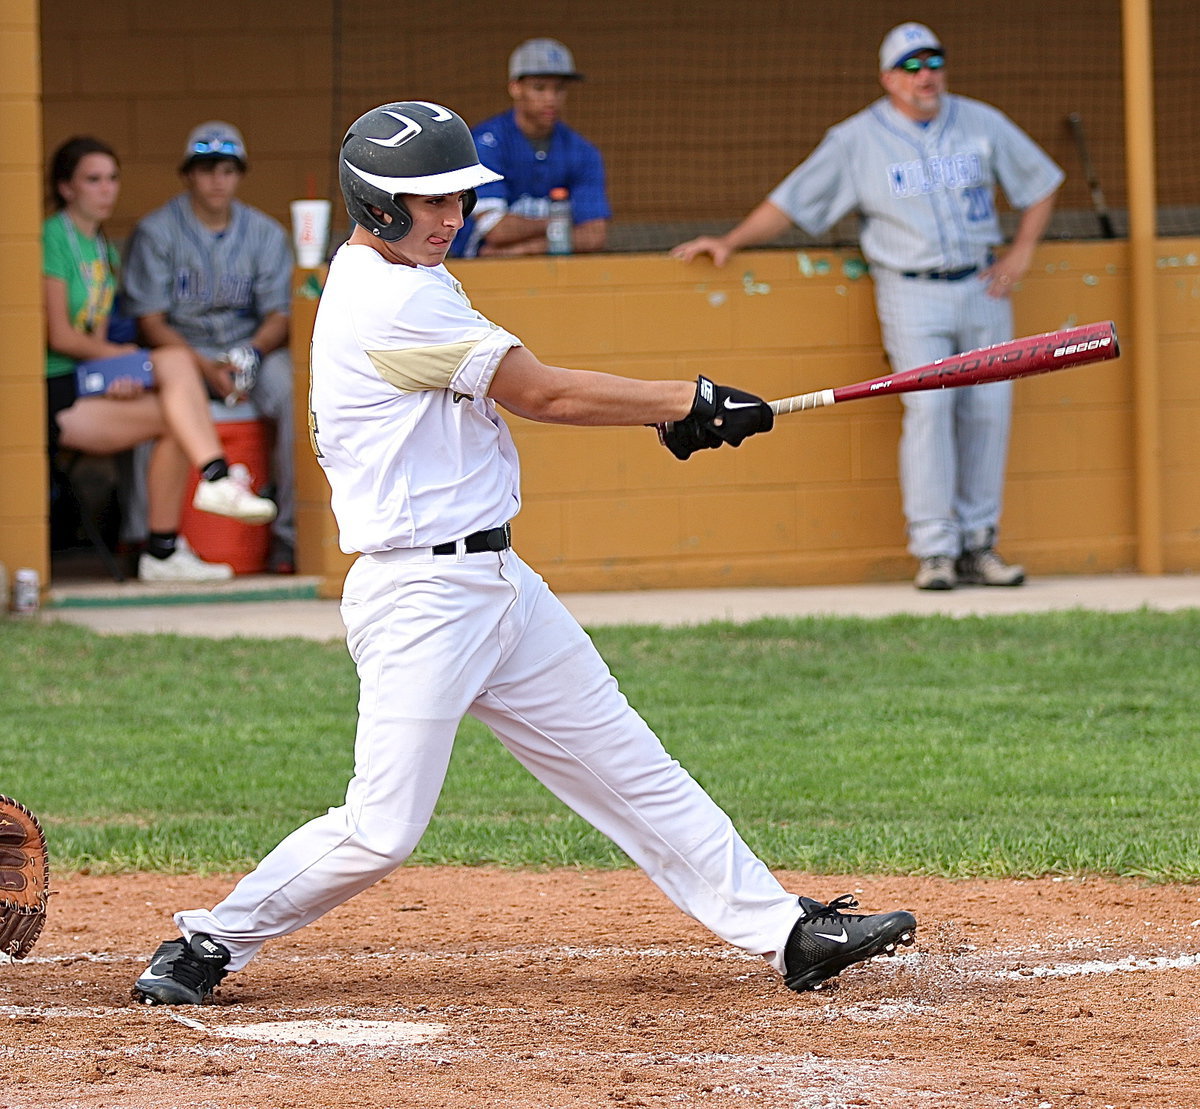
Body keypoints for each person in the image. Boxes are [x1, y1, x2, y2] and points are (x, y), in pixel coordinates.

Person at [131, 102, 916, 1007]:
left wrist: (673, 408)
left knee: (632, 767)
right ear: (378, 202)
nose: (451, 217)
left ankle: (784, 932)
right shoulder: (390, 299)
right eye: (430, 201)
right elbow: (542, 392)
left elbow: (514, 397)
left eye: (459, 197)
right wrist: (685, 399)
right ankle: (209, 938)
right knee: (383, 828)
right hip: (423, 593)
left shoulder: (410, 275)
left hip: (497, 580)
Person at [672, 22, 1064, 592]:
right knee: (929, 412)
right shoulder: (857, 139)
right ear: (887, 78)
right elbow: (793, 198)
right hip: (910, 289)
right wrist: (731, 241)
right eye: (911, 66)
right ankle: (935, 550)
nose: (924, 74)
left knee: (988, 411)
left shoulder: (981, 121)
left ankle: (979, 545)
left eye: (933, 61)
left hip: (982, 286)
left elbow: (1041, 181)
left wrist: (1023, 252)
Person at [42, 136, 278, 583]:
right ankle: (218, 479)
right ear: (67, 188)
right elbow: (60, 335)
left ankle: (162, 552)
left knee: (177, 418)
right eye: (93, 180)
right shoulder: (53, 235)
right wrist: (122, 357)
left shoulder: (103, 249)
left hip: (86, 385)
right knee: (171, 361)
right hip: (49, 393)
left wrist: (115, 375)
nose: (106, 190)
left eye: (112, 179)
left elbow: (91, 337)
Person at [122, 121, 297, 574]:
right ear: (188, 174)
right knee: (160, 403)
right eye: (205, 169)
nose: (217, 179)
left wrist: (252, 353)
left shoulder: (264, 233)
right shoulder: (157, 231)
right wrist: (202, 367)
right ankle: (145, 536)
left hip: (249, 353)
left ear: (239, 174)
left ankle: (288, 537)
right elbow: (150, 321)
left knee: (298, 396)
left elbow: (280, 314)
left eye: (227, 169)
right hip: (184, 353)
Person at [452, 38, 611, 258]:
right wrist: (563, 227)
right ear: (515, 88)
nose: (551, 99)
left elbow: (594, 235)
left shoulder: (582, 151)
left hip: (549, 274)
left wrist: (523, 249)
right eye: (539, 88)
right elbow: (495, 229)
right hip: (477, 272)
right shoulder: (485, 143)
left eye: (559, 89)